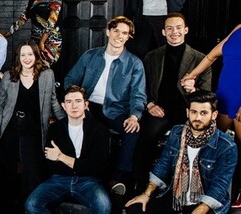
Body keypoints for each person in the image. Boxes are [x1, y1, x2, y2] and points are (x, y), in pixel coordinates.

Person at [25, 85, 111, 214]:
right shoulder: (55, 129)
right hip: (59, 179)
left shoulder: (99, 129)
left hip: (88, 181)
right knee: (32, 204)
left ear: (86, 105)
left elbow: (98, 166)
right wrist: (76, 162)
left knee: (103, 204)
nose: (74, 106)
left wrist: (64, 157)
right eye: (69, 102)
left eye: (78, 101)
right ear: (63, 106)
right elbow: (51, 164)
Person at [64, 16, 146, 195]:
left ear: (128, 37)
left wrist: (134, 116)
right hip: (89, 106)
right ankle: (83, 175)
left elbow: (138, 95)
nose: (119, 36)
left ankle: (117, 178)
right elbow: (70, 79)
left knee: (133, 131)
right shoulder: (90, 55)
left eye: (124, 33)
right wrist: (78, 100)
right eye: (116, 31)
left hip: (116, 109)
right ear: (108, 32)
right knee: (86, 130)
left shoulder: (134, 63)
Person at [0, 42, 66, 214]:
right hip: (11, 127)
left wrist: (67, 123)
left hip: (33, 129)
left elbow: (54, 101)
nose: (27, 58)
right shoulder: (9, 76)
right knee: (7, 172)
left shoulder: (47, 75)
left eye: (30, 54)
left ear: (36, 55)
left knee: (32, 173)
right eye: (23, 55)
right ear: (18, 57)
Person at [137, 13, 211, 192]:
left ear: (186, 30)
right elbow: (141, 86)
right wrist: (150, 105)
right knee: (144, 139)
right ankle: (140, 186)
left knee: (191, 143)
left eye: (178, 28)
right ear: (163, 32)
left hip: (187, 111)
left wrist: (193, 91)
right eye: (169, 28)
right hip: (159, 110)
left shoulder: (200, 59)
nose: (174, 32)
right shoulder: (152, 56)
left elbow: (207, 95)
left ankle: (185, 190)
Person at [181, 22, 241, 143]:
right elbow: (211, 56)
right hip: (224, 95)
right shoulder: (239, 28)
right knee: (208, 144)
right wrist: (192, 75)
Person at [6, 0, 62, 67]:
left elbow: (53, 17)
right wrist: (6, 35)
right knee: (32, 70)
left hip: (50, 41)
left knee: (44, 69)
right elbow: (23, 19)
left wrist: (42, 40)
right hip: (35, 41)